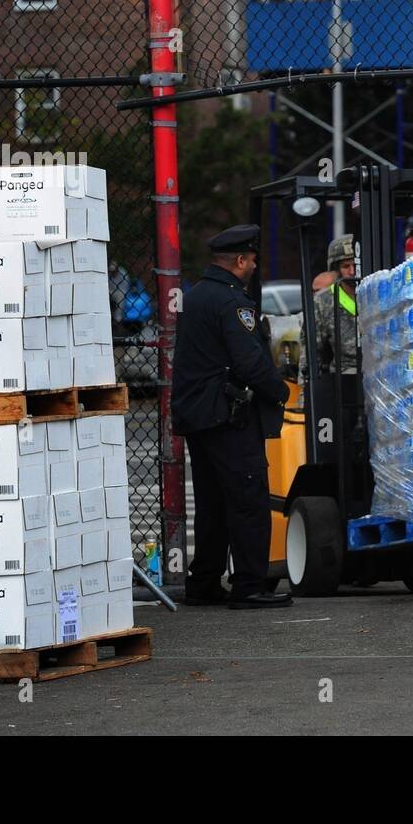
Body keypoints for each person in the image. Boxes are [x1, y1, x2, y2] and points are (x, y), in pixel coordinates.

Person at [171, 225, 292, 609]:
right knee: (247, 497)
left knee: (213, 502)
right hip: (227, 415)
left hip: (198, 415)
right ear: (240, 261)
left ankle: (204, 582)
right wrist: (280, 390)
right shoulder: (232, 302)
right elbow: (249, 361)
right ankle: (249, 586)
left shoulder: (195, 296)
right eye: (252, 259)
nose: (255, 266)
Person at [302, 234, 359, 376]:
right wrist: (308, 394)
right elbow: (311, 354)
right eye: (346, 266)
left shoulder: (379, 295)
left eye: (356, 265)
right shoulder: (323, 301)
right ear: (336, 269)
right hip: (344, 380)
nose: (352, 272)